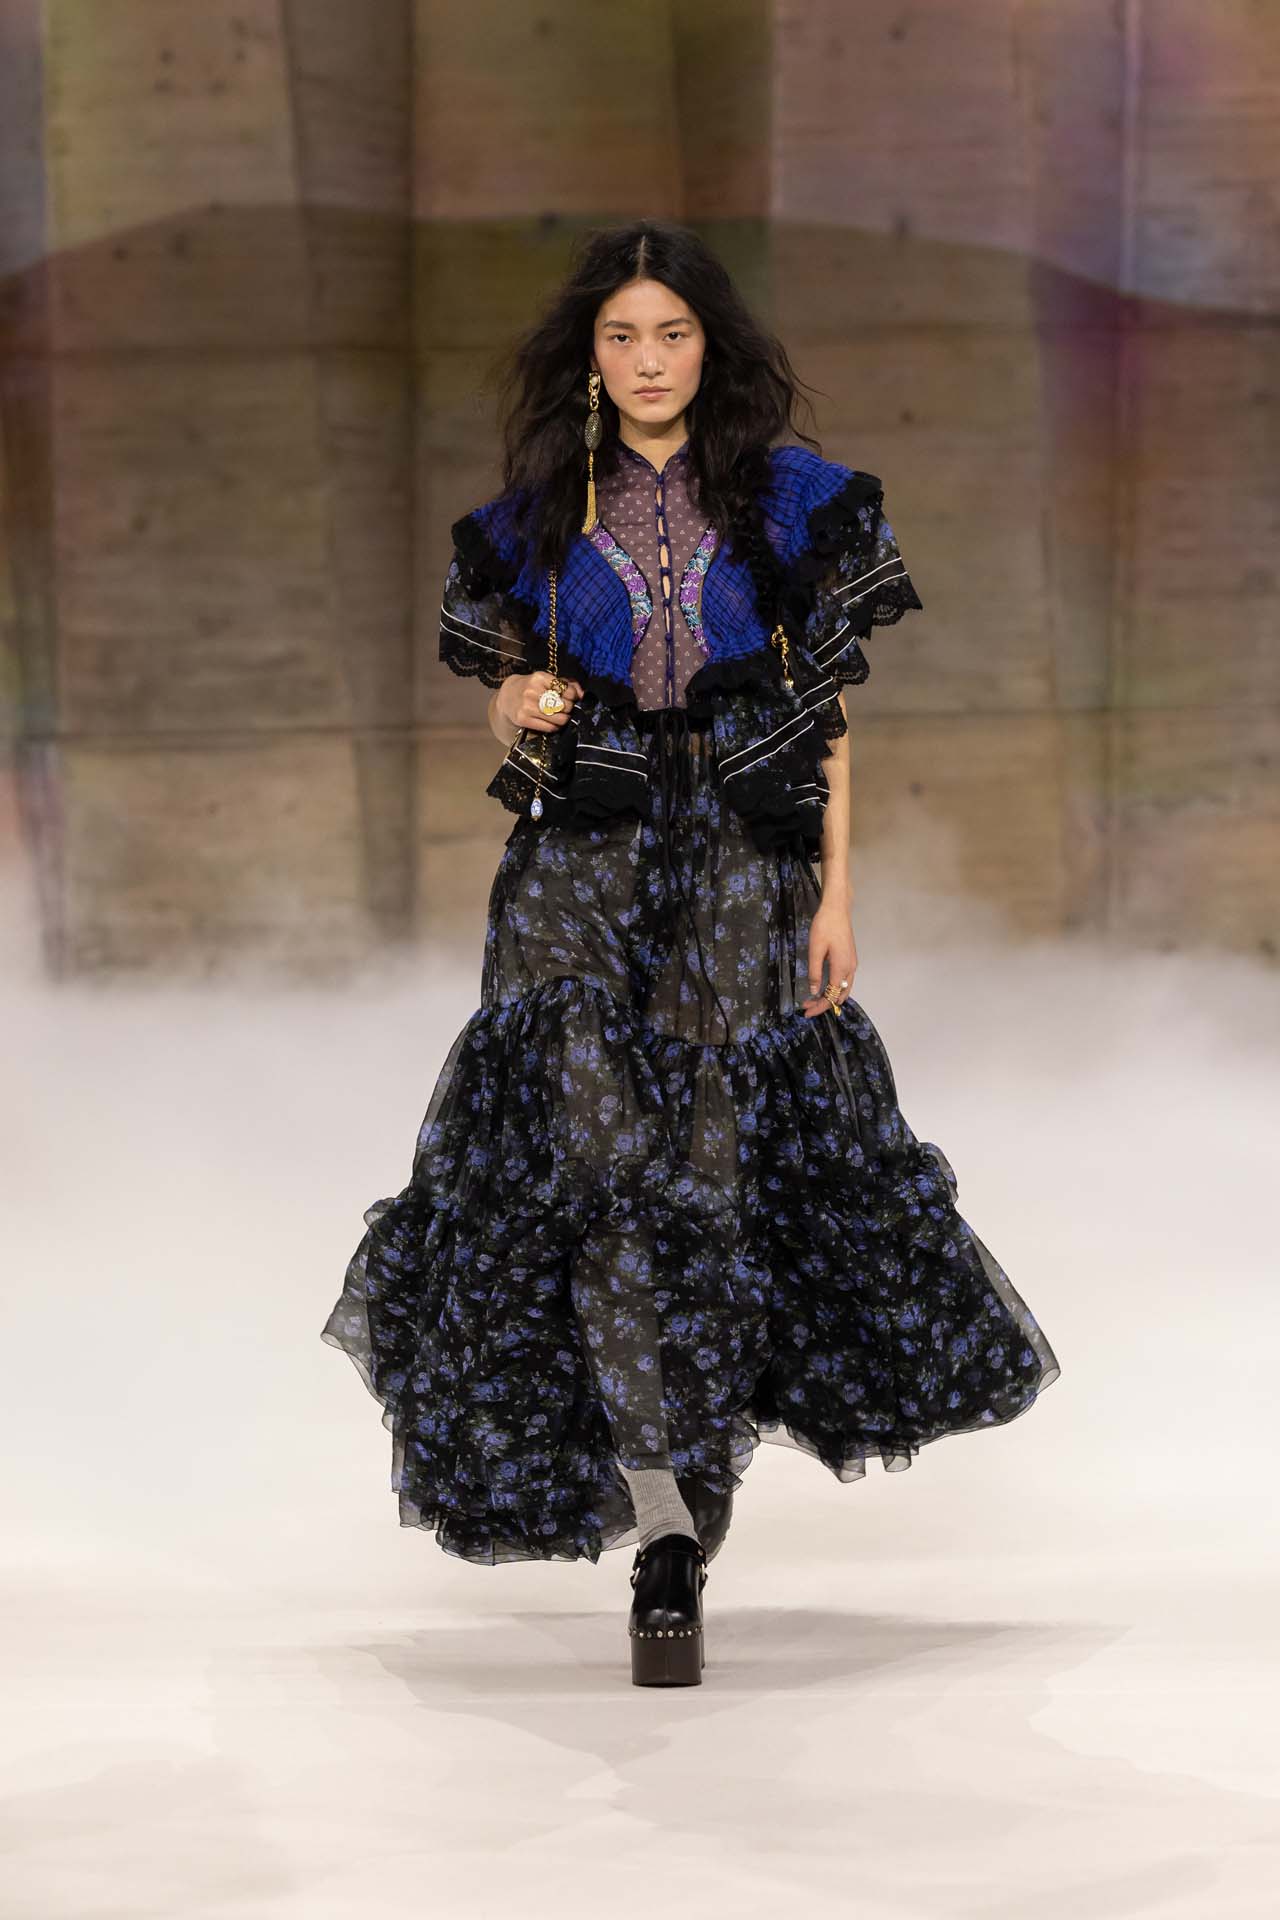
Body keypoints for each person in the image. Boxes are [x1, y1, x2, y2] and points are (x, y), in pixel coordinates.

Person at [321, 218, 1061, 1688]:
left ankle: (684, 1518)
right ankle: (660, 1521)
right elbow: (504, 691)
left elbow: (826, 717)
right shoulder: (533, 520)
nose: (648, 360)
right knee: (592, 1160)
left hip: (740, 859)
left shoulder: (795, 508)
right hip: (578, 862)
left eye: (672, 334)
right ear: (588, 356)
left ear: (711, 347)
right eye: (622, 336)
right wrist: (519, 704)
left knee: (712, 1181)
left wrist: (838, 895)